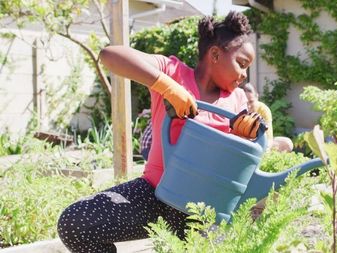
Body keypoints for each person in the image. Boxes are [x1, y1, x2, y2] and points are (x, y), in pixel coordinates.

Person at [57, 12, 264, 253]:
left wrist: (243, 138)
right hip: (155, 194)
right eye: (242, 63)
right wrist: (166, 86)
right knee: (75, 224)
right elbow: (109, 55)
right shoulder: (173, 72)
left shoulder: (237, 99)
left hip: (201, 209)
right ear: (215, 54)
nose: (244, 75)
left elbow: (232, 169)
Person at [240, 82, 293, 152]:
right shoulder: (239, 108)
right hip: (243, 142)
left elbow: (269, 137)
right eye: (245, 103)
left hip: (261, 142)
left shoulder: (264, 109)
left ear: (257, 97)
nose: (248, 106)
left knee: (287, 143)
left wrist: (266, 149)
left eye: (251, 102)